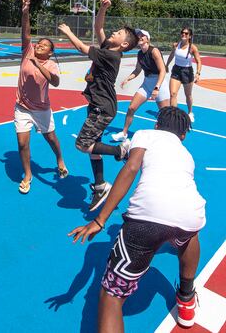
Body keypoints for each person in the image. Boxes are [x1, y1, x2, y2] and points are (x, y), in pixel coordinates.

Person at [69, 106, 205, 331]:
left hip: (145, 220)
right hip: (190, 215)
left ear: (156, 125)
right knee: (189, 236)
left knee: (111, 297)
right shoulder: (186, 155)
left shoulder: (145, 134)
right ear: (183, 135)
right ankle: (186, 297)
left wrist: (100, 220)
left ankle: (179, 292)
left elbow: (131, 167)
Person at [57, 0, 138, 211]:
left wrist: (68, 32)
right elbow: (98, 26)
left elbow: (83, 49)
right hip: (98, 105)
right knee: (94, 149)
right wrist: (103, 8)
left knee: (82, 144)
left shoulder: (111, 56)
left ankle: (121, 150)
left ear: (124, 44)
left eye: (118, 33)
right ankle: (101, 185)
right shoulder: (107, 49)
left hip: (103, 108)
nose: (113, 32)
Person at [14, 0, 68, 194]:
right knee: (21, 143)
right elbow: (26, 33)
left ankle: (60, 158)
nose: (39, 45)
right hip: (22, 107)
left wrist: (38, 64)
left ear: (50, 52)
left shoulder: (51, 64)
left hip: (42, 109)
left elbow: (55, 82)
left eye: (44, 45)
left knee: (51, 138)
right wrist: (25, 11)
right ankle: (27, 174)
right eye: (39, 43)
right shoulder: (27, 52)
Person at [111, 29, 170, 142]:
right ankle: (124, 133)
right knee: (131, 108)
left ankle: (167, 138)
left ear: (147, 39)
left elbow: (162, 70)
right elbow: (138, 70)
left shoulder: (154, 51)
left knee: (165, 114)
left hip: (160, 83)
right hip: (147, 83)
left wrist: (157, 88)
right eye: (138, 35)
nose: (139, 37)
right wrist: (128, 79)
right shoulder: (139, 54)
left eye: (142, 35)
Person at [165, 27, 202, 123]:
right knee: (173, 94)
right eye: (182, 33)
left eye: (186, 33)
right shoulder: (176, 45)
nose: (183, 35)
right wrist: (166, 65)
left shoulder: (192, 48)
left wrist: (198, 73)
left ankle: (190, 113)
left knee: (188, 95)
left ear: (190, 36)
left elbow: (198, 61)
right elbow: (172, 55)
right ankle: (173, 116)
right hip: (176, 70)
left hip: (187, 72)